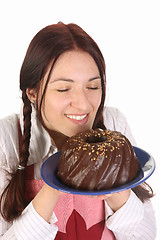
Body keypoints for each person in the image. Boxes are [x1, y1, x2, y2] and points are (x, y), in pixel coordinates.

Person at [0, 22, 156, 239]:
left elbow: (146, 235)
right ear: (33, 93)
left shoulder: (114, 124)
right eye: (64, 89)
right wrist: (54, 184)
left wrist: (114, 185)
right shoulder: (6, 139)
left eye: (93, 87)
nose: (83, 105)